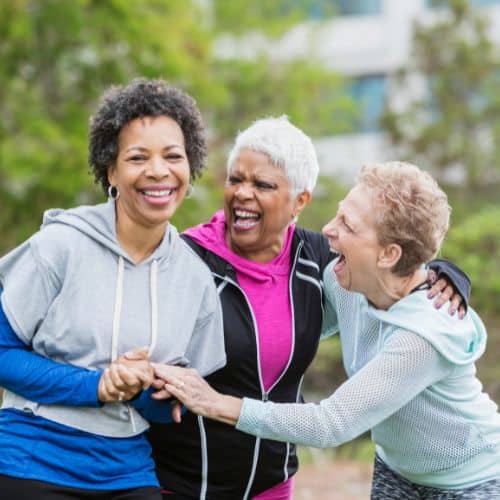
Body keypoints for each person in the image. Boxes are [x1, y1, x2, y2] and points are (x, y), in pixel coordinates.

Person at [1, 117, 467, 500]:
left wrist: (446, 274)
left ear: (299, 201)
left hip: (269, 484)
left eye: (262, 184)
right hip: (178, 483)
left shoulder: (321, 262)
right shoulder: (185, 261)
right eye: (235, 180)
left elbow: (390, 272)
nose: (242, 194)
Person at [159, 161, 500, 499]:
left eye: (348, 226)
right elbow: (289, 324)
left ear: (389, 254)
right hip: (397, 471)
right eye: (338, 215)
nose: (327, 229)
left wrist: (216, 403)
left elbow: (331, 423)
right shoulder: (348, 283)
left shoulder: (424, 334)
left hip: (473, 480)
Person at [0, 78, 225, 499]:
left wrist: (140, 386)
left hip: (126, 470)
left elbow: (169, 410)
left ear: (189, 169)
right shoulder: (59, 245)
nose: (158, 171)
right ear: (111, 172)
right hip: (30, 457)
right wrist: (98, 385)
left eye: (172, 156)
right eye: (138, 157)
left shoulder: (194, 280)